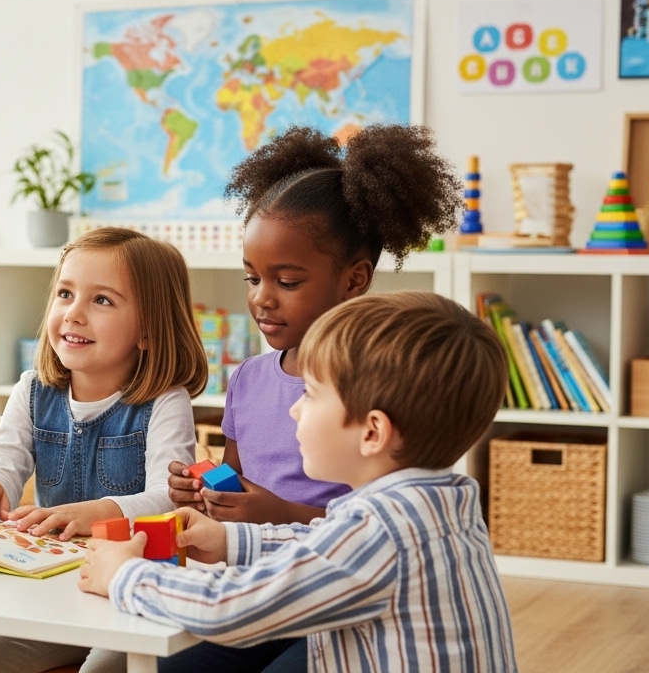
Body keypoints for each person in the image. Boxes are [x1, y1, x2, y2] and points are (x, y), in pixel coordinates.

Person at [80, 291, 518, 672]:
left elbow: (230, 607)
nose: (295, 409)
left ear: (372, 433)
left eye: (311, 394)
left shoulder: (381, 530)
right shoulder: (439, 502)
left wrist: (124, 575)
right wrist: (228, 540)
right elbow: (320, 544)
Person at [160, 125, 462, 672]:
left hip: (343, 602)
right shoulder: (249, 378)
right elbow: (235, 481)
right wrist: (204, 491)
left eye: (287, 281)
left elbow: (384, 527)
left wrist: (278, 513)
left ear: (354, 279)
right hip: (258, 581)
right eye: (252, 278)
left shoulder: (379, 389)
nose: (261, 298)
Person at [0, 227, 207, 673]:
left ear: (148, 330)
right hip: (58, 588)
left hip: (135, 591)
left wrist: (99, 513)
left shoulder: (166, 401)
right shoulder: (32, 390)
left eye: (101, 300)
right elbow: (4, 459)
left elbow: (169, 501)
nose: (73, 314)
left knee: (102, 670)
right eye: (65, 294)